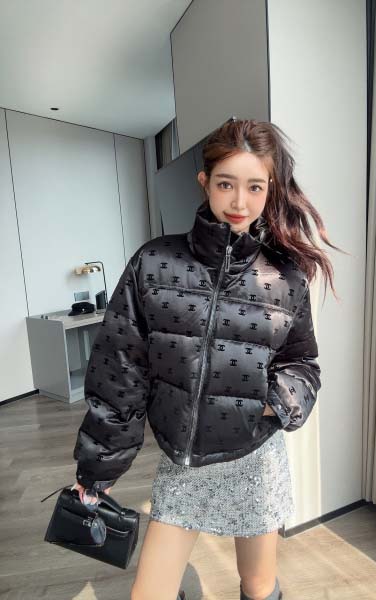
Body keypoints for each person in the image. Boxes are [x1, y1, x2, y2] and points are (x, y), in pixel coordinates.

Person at [72, 118, 342, 600]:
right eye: (226, 184)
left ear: (270, 190)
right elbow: (120, 372)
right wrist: (98, 469)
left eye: (254, 187)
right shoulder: (155, 263)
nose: (239, 202)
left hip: (254, 457)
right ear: (205, 181)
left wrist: (272, 403)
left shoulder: (286, 278)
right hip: (182, 462)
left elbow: (302, 364)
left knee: (258, 586)